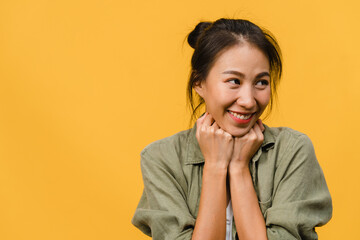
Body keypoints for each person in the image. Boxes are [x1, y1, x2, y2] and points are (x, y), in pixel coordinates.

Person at [132, 18, 332, 240]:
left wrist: (238, 167)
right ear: (199, 83)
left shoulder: (292, 151)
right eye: (234, 81)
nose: (248, 100)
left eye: (261, 82)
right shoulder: (161, 159)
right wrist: (215, 166)